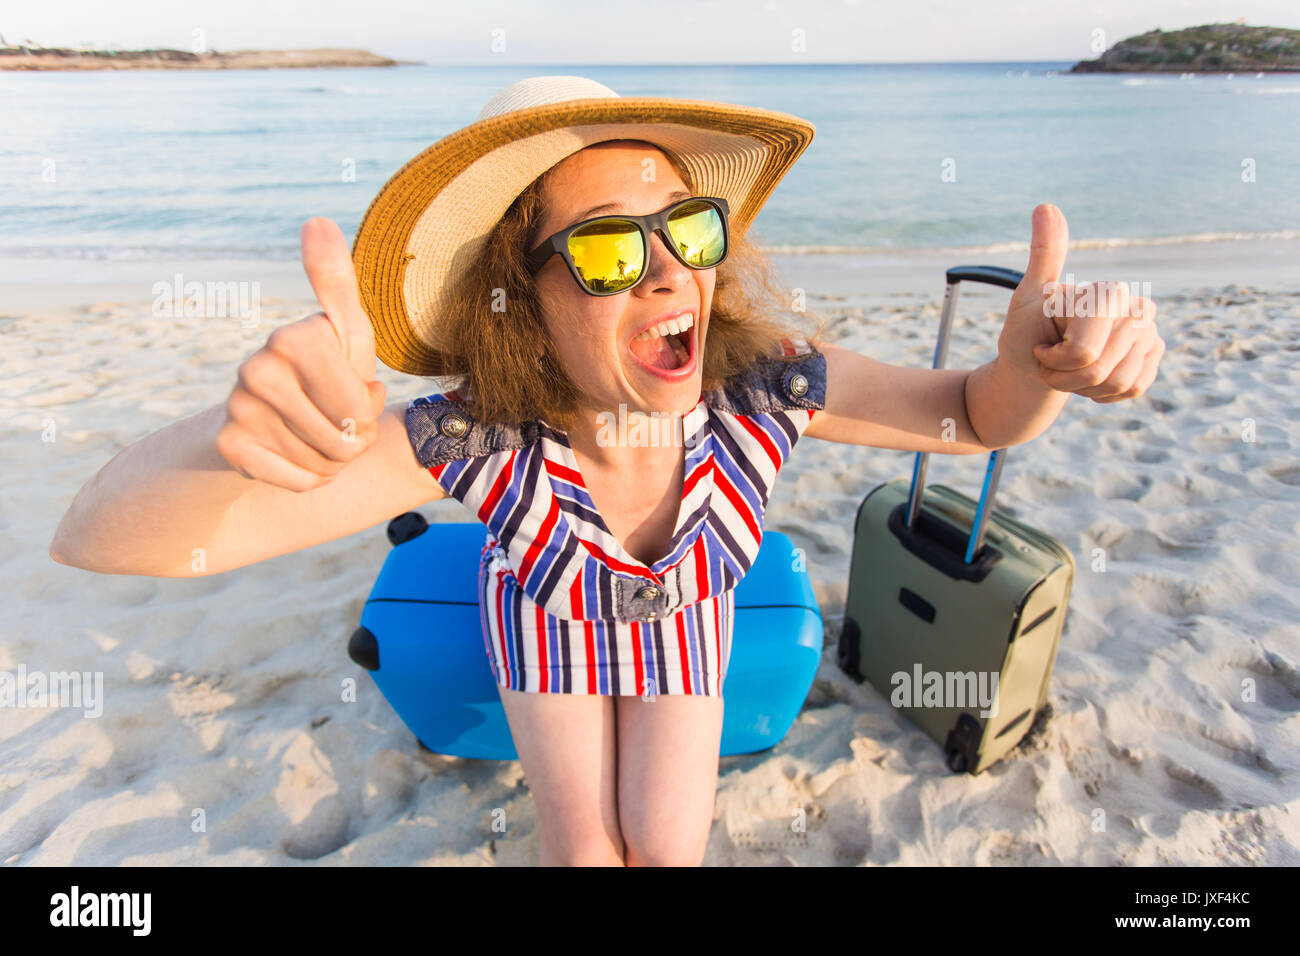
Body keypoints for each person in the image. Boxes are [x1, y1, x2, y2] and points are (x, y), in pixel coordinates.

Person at [49, 76, 1164, 866]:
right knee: (585, 846)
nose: (666, 270)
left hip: (688, 625)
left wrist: (1037, 368)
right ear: (521, 299)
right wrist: (228, 433)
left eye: (686, 225)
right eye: (606, 247)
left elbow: (971, 416)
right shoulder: (479, 432)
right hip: (543, 623)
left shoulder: (762, 383)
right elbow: (106, 534)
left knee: (669, 844)